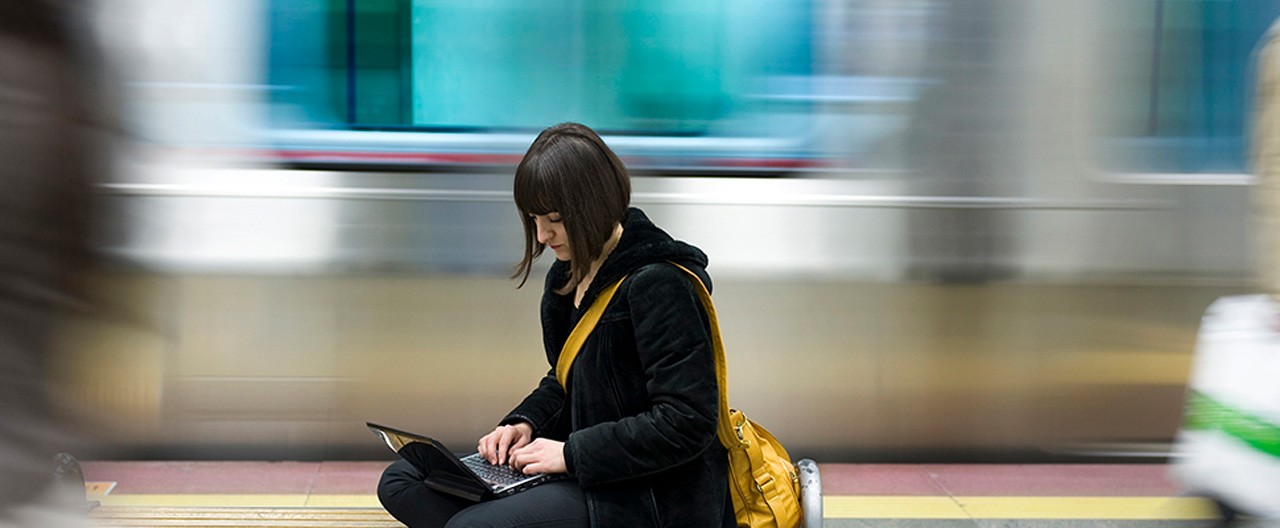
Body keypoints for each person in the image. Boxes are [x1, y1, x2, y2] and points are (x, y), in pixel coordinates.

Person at [378, 122, 733, 528]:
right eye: (533, 219)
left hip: (647, 494)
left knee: (472, 524)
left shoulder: (660, 284)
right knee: (404, 479)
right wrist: (523, 422)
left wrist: (570, 454)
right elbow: (566, 381)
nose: (543, 235)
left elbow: (687, 421)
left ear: (594, 205)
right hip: (584, 472)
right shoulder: (567, 279)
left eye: (555, 218)